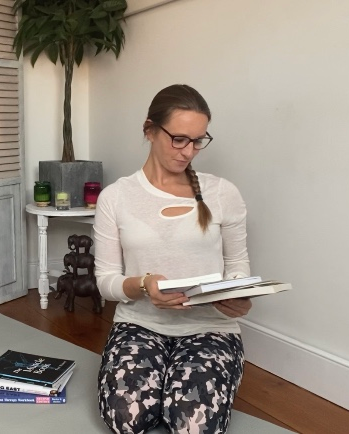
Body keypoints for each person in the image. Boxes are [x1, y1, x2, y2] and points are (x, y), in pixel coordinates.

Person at [94, 84, 252, 434]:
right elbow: (106, 282)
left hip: (210, 327)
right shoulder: (115, 197)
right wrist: (143, 284)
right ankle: (164, 384)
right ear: (150, 130)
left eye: (198, 141)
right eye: (179, 139)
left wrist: (238, 296)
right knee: (125, 418)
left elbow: (238, 266)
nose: (188, 151)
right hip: (138, 324)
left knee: (192, 424)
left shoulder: (223, 193)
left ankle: (178, 386)